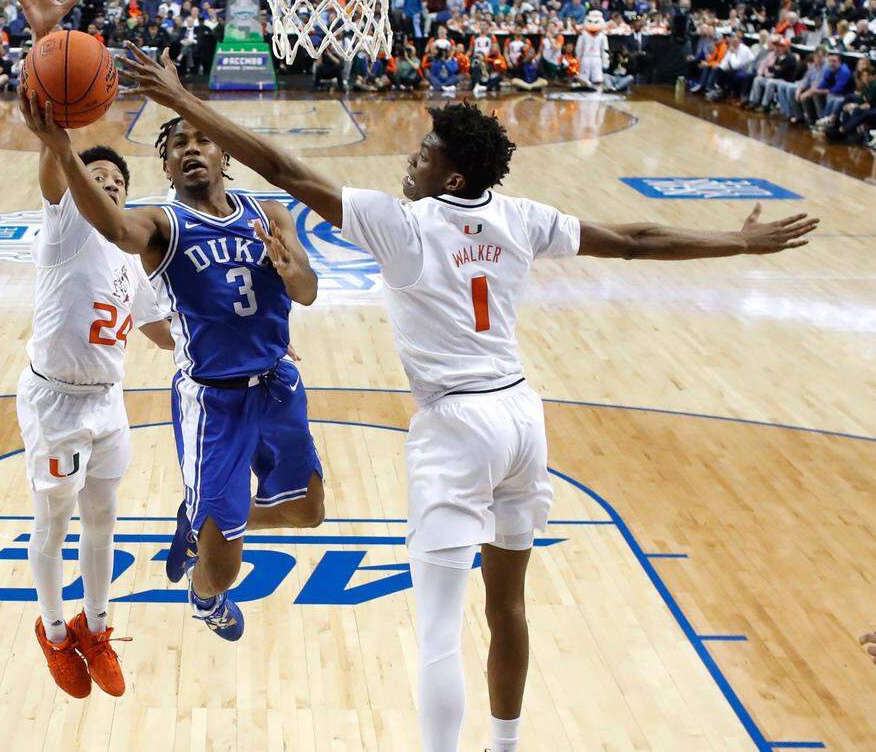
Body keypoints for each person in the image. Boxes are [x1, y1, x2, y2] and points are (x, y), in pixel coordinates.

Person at [116, 47, 819, 752]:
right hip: (521, 417)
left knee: (439, 628)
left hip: (458, 427)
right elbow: (634, 240)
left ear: (450, 174)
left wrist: (183, 101)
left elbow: (284, 170)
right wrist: (738, 240)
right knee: (507, 602)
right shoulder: (520, 216)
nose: (410, 159)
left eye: (423, 153)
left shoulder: (404, 226)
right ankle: (505, 745)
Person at [8, 0, 328, 646]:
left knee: (310, 511)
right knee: (222, 571)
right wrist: (64, 147)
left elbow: (306, 293)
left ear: (222, 151)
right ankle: (207, 596)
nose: (188, 148)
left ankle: (204, 517)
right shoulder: (162, 223)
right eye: (174, 143)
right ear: (168, 166)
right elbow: (114, 228)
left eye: (199, 140)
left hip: (275, 383)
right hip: (212, 402)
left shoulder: (267, 215)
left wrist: (295, 270)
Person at [16, 106, 174, 698]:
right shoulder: (67, 226)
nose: (109, 186)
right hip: (55, 403)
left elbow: (160, 332)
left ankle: (97, 626)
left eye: (118, 183)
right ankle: (55, 631)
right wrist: (57, 136)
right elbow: (57, 177)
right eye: (98, 179)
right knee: (53, 522)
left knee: (104, 518)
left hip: (108, 402)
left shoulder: (133, 257)